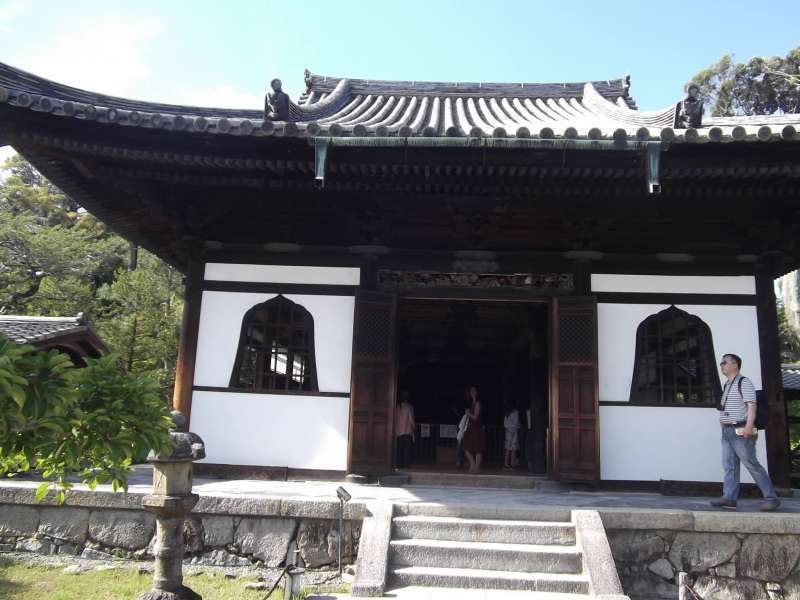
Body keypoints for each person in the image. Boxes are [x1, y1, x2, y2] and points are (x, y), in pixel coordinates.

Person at [710, 353, 780, 511]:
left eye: (725, 363)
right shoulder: (727, 384)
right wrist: (723, 420)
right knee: (729, 465)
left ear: (735, 365)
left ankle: (771, 498)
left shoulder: (744, 382)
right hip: (727, 430)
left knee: (751, 464)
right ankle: (729, 498)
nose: (722, 365)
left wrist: (749, 426)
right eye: (721, 363)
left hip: (741, 429)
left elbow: (751, 405)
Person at [462, 385, 485, 473]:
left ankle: (477, 468)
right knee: (466, 447)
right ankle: (472, 464)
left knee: (478, 448)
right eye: (471, 391)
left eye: (474, 391)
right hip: (470, 428)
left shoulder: (478, 403)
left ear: (477, 392)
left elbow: (475, 417)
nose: (472, 392)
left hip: (477, 428)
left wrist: (468, 414)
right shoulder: (471, 403)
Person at [395, 392, 416, 469]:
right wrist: (414, 428)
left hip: (398, 432)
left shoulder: (397, 407)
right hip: (407, 432)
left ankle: (398, 464)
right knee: (406, 450)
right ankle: (405, 465)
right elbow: (411, 420)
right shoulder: (409, 407)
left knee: (399, 449)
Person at [503, 402, 520, 470]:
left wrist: (509, 428)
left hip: (508, 431)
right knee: (513, 448)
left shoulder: (506, 413)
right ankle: (512, 464)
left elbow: (505, 424)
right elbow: (516, 422)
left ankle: (506, 464)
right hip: (514, 432)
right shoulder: (515, 412)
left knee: (508, 448)